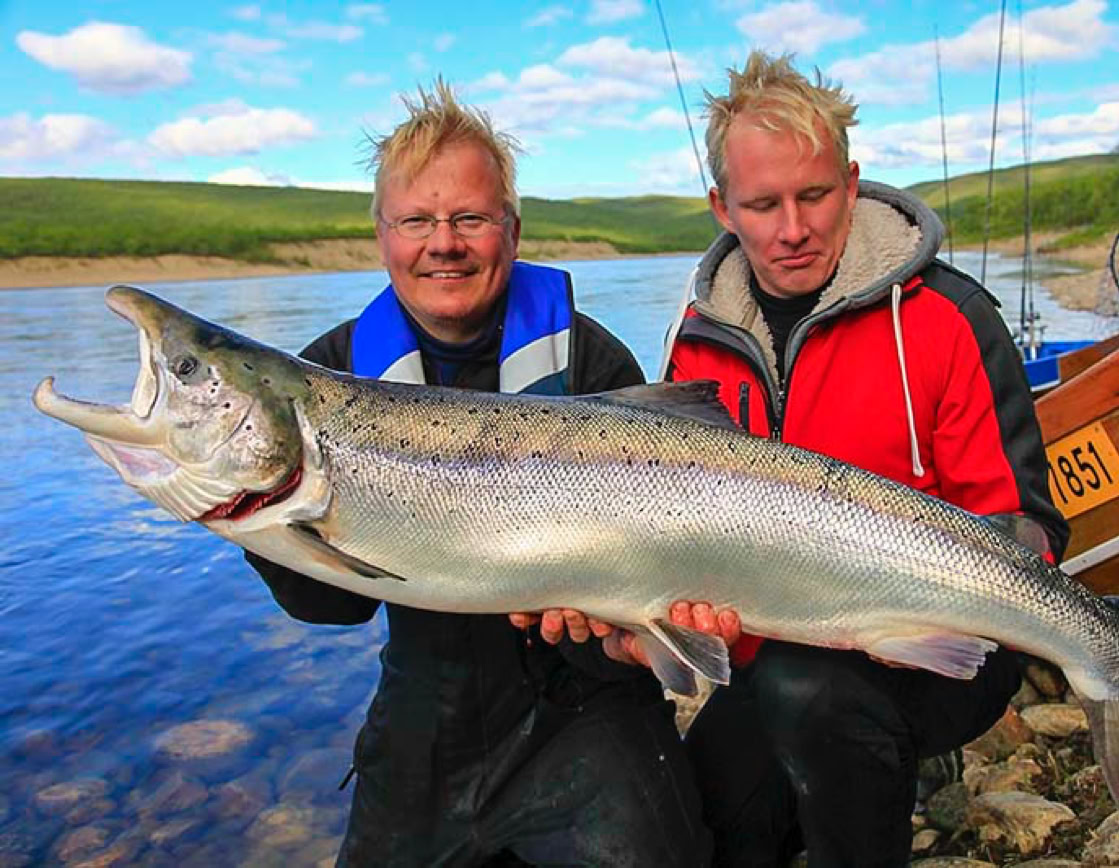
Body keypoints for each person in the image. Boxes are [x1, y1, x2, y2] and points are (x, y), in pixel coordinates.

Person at [244, 81, 711, 867]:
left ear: (513, 231)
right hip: (428, 705)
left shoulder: (590, 360)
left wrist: (612, 635)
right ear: (382, 238)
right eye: (417, 221)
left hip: (586, 702)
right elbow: (329, 607)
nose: (444, 243)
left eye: (469, 218)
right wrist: (256, 510)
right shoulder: (323, 376)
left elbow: (639, 580)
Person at [655, 51, 1069, 866]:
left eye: (813, 195)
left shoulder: (950, 317)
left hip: (953, 641)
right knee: (698, 816)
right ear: (721, 208)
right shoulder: (695, 347)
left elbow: (1026, 523)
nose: (793, 227)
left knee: (809, 698)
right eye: (762, 204)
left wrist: (928, 610)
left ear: (851, 182)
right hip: (771, 640)